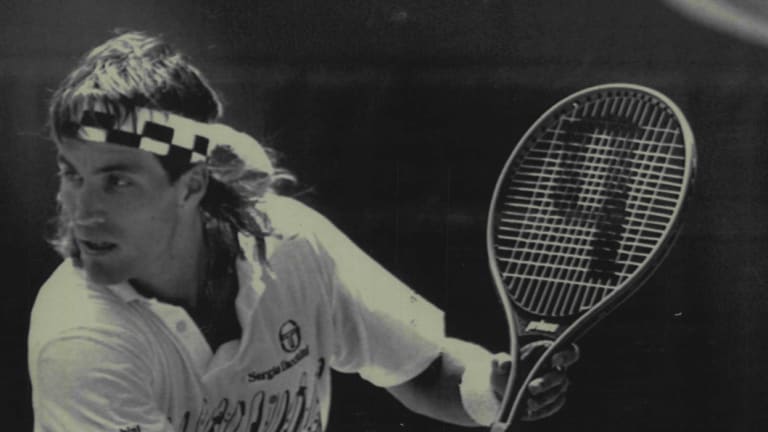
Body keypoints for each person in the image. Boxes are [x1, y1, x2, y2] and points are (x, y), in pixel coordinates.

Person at [27, 31, 578, 432]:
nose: (82, 209)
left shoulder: (289, 243)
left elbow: (425, 369)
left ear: (192, 186)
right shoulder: (79, 337)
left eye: (117, 182)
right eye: (71, 175)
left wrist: (491, 388)